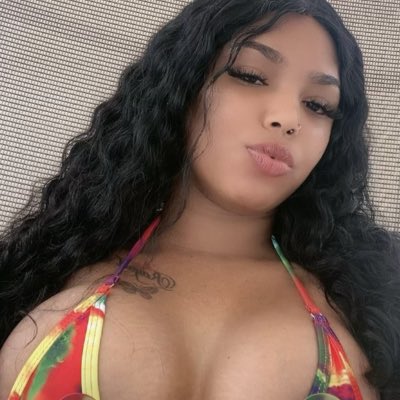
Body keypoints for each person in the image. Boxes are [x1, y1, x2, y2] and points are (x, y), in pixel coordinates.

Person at [0, 0, 399, 398]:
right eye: (250, 76)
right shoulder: (43, 277)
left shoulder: (373, 309)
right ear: (184, 86)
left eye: (317, 105)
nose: (289, 118)